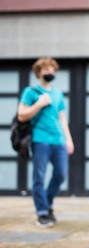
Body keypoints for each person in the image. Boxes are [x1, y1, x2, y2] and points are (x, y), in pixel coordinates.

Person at [17, 57, 74, 228]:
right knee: (39, 177)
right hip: (40, 140)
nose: (50, 72)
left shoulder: (57, 94)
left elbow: (62, 118)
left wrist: (69, 139)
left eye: (53, 70)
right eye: (46, 69)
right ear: (38, 72)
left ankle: (47, 204)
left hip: (59, 140)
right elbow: (21, 115)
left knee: (60, 175)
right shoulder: (31, 91)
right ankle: (42, 212)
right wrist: (39, 104)